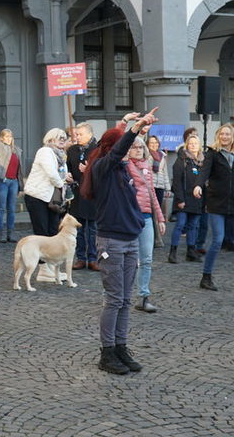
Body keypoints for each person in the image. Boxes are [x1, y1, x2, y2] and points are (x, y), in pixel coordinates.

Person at [80, 108, 158, 375]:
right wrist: (133, 127)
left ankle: (121, 346)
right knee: (114, 300)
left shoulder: (125, 169)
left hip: (129, 239)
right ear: (113, 148)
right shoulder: (103, 167)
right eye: (126, 144)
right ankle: (107, 352)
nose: (131, 149)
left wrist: (138, 222)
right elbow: (117, 148)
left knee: (125, 299)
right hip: (111, 242)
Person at [126, 136, 165, 313]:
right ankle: (118, 295)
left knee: (147, 259)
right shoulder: (124, 166)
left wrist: (161, 218)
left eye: (140, 147)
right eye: (134, 147)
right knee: (125, 259)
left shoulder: (147, 167)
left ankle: (143, 297)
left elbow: (152, 195)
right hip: (128, 218)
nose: (138, 150)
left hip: (147, 217)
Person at [193, 123, 234, 291]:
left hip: (233, 204)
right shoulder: (213, 153)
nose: (225, 137)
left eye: (228, 134)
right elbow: (204, 172)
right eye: (222, 134)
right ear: (218, 136)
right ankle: (206, 276)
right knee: (217, 239)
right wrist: (198, 185)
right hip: (216, 203)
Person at [23, 128, 70, 237]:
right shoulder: (45, 151)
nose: (62, 140)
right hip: (38, 196)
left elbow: (61, 174)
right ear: (50, 139)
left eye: (64, 137)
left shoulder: (61, 155)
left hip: (52, 198)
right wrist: (61, 184)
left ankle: (51, 253)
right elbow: (52, 173)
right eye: (59, 137)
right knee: (42, 232)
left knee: (53, 230)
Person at [0, 106, 23, 244]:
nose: (8, 138)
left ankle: (11, 233)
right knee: (1, 208)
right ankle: (1, 234)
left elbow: (20, 171)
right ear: (2, 138)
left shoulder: (17, 151)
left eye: (10, 136)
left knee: (12, 209)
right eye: (6, 136)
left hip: (13, 182)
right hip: (2, 181)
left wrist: (20, 186)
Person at [66, 122, 98, 271]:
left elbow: (103, 172)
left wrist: (88, 171)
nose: (77, 137)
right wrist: (68, 176)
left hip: (93, 194)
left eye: (80, 134)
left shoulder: (98, 150)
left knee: (92, 229)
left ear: (89, 135)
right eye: (76, 134)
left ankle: (93, 258)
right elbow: (68, 168)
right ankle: (80, 258)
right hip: (77, 194)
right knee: (78, 229)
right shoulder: (72, 150)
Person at [168, 134, 204, 264]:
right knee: (180, 225)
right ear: (187, 145)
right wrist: (180, 199)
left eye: (196, 143)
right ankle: (173, 252)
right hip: (183, 199)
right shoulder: (181, 160)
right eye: (191, 143)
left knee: (193, 226)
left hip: (197, 200)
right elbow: (176, 182)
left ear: (199, 145)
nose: (193, 145)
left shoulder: (202, 161)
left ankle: (191, 251)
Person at [146, 135, 170, 207]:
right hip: (149, 186)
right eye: (152, 143)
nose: (154, 145)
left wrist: (167, 188)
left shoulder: (162, 155)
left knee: (158, 208)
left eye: (156, 142)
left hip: (160, 186)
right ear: (148, 144)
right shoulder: (146, 154)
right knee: (149, 207)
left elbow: (165, 172)